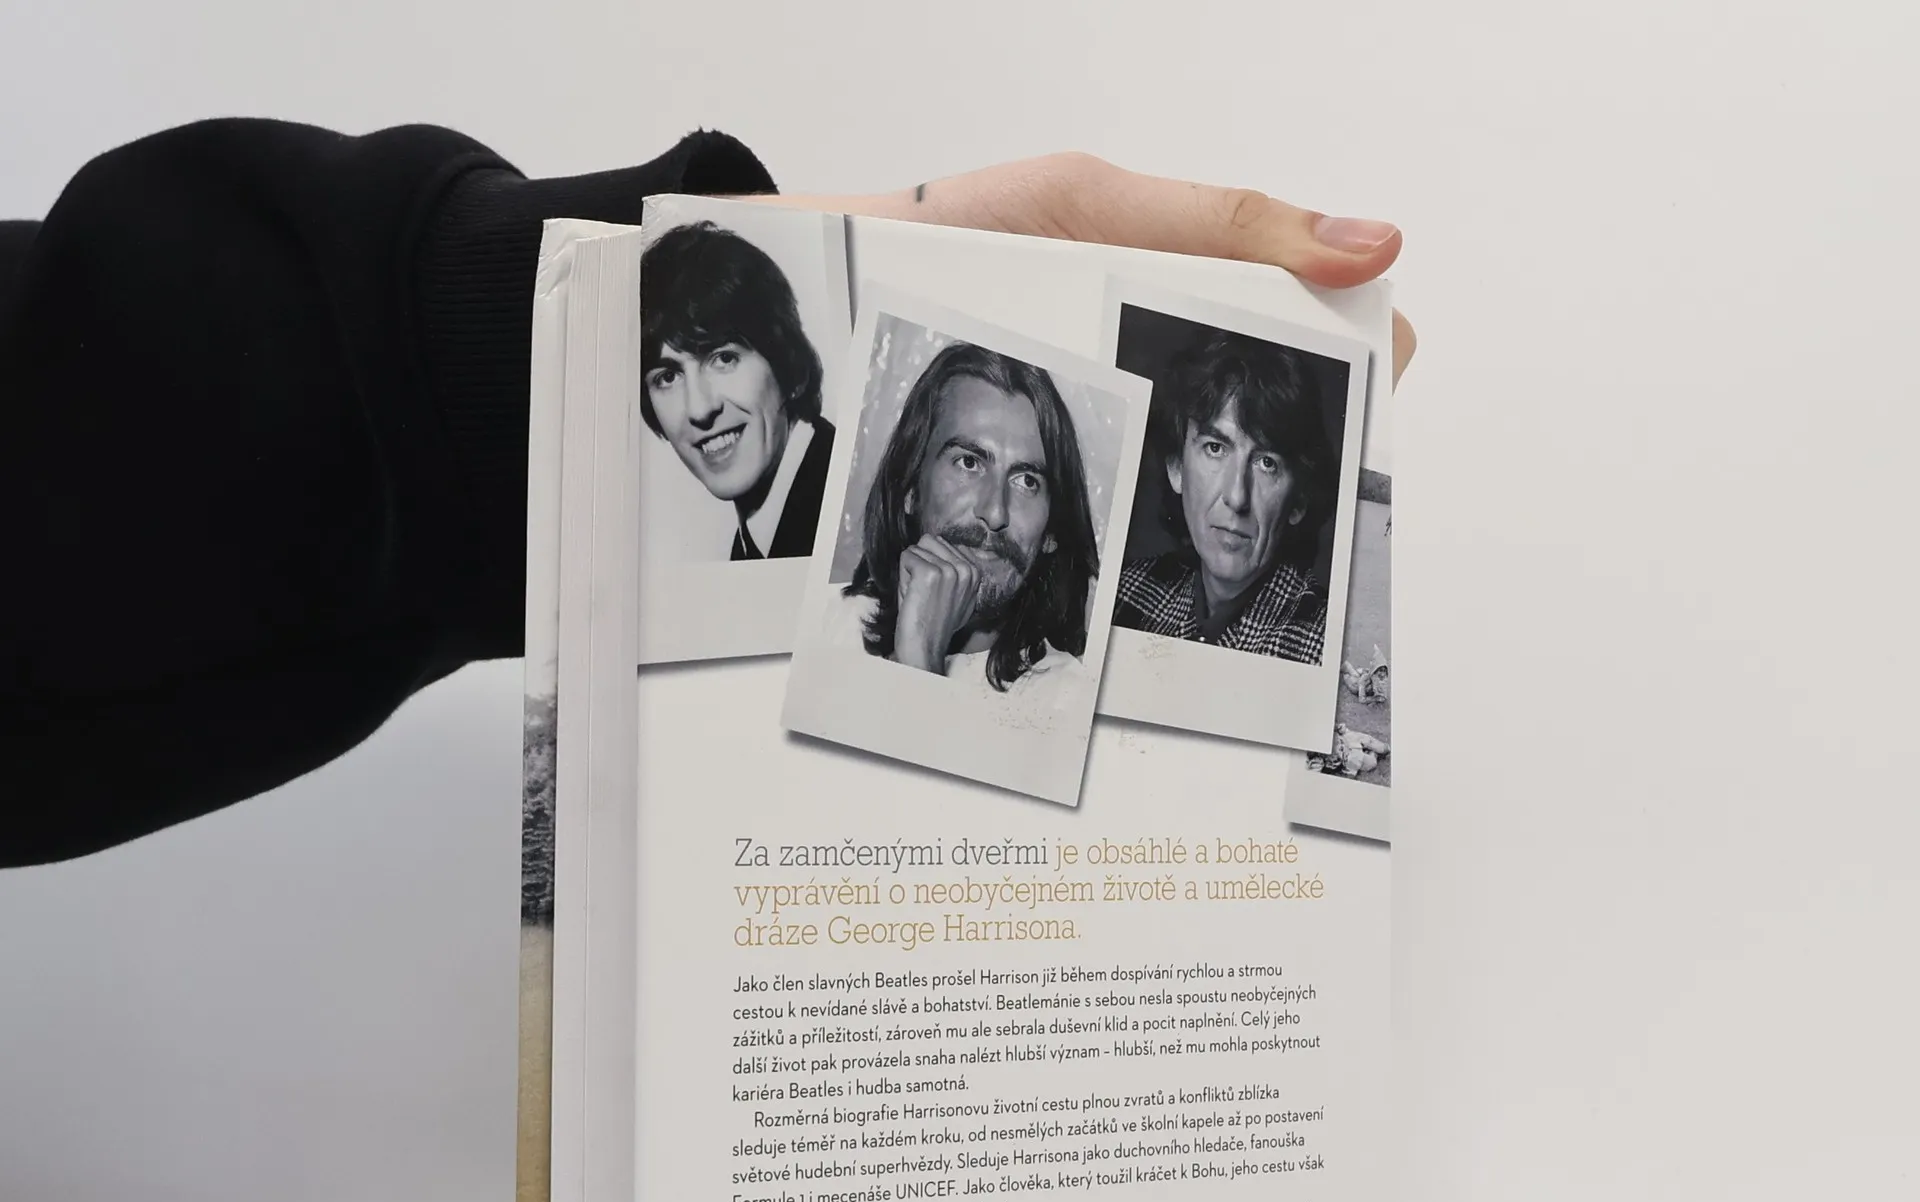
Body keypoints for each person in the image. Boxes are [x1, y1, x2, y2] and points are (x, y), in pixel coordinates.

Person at [0, 126, 1411, 867]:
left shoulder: (1135, 666)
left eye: (1029, 476)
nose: (697, 406)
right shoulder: (812, 595)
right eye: (661, 371)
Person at [831, 343, 1097, 697]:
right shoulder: (826, 626)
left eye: (1026, 481)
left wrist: (920, 658)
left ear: (1052, 532)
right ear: (910, 488)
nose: (995, 513)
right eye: (969, 463)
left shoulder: (1066, 698)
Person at [1116, 330, 1336, 661]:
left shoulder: (1321, 647)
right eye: (1215, 448)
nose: (1236, 497)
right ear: (1176, 467)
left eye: (1267, 463)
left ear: (1299, 500)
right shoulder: (1124, 593)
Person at [639, 220, 835, 562]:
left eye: (724, 359)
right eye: (668, 377)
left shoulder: (846, 513)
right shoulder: (758, 540)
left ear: (788, 365)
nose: (699, 409)